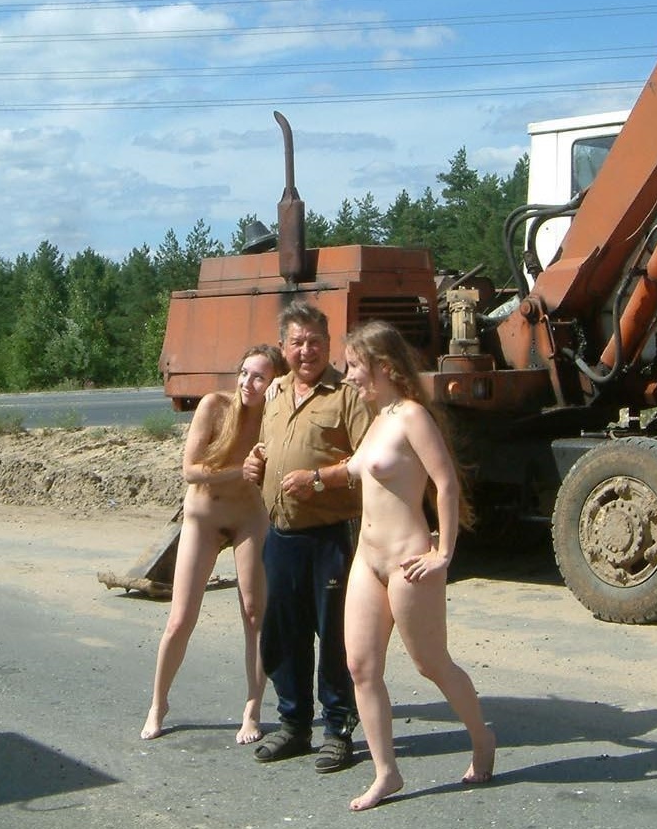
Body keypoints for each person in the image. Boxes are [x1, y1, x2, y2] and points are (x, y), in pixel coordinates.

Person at [340, 320, 495, 811]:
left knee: (431, 663)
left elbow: (445, 483)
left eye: (355, 366)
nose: (349, 376)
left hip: (408, 561)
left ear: (383, 366)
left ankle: (482, 739)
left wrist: (443, 552)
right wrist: (307, 477)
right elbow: (353, 470)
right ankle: (386, 772)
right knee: (361, 666)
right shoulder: (375, 417)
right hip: (367, 560)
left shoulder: (411, 416)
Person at [242, 300, 372, 773]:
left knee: (335, 638)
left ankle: (338, 731)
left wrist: (318, 480)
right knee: (283, 633)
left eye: (315, 341)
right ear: (283, 347)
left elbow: (368, 461)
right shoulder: (276, 392)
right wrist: (255, 463)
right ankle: (294, 725)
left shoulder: (347, 396)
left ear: (328, 344)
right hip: (281, 535)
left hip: (329, 538)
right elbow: (269, 447)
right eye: (297, 342)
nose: (306, 351)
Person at [141, 343, 288, 744]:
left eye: (260, 377)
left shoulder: (275, 417)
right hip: (204, 519)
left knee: (255, 614)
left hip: (249, 519)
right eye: (245, 373)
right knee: (180, 618)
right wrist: (241, 470)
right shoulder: (215, 406)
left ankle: (252, 709)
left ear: (275, 382)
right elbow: (191, 470)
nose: (248, 383)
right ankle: (158, 704)